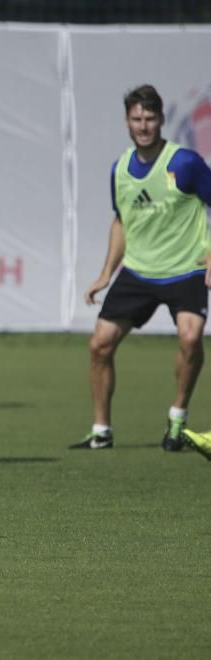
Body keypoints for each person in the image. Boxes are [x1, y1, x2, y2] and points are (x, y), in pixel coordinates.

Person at [70, 84, 211, 451]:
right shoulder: (120, 169)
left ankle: (177, 420)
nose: (144, 125)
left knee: (191, 338)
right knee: (99, 344)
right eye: (137, 118)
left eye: (150, 118)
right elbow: (121, 222)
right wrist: (105, 273)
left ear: (162, 120)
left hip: (187, 268)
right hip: (138, 271)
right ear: (127, 122)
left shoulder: (185, 163)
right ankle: (101, 431)